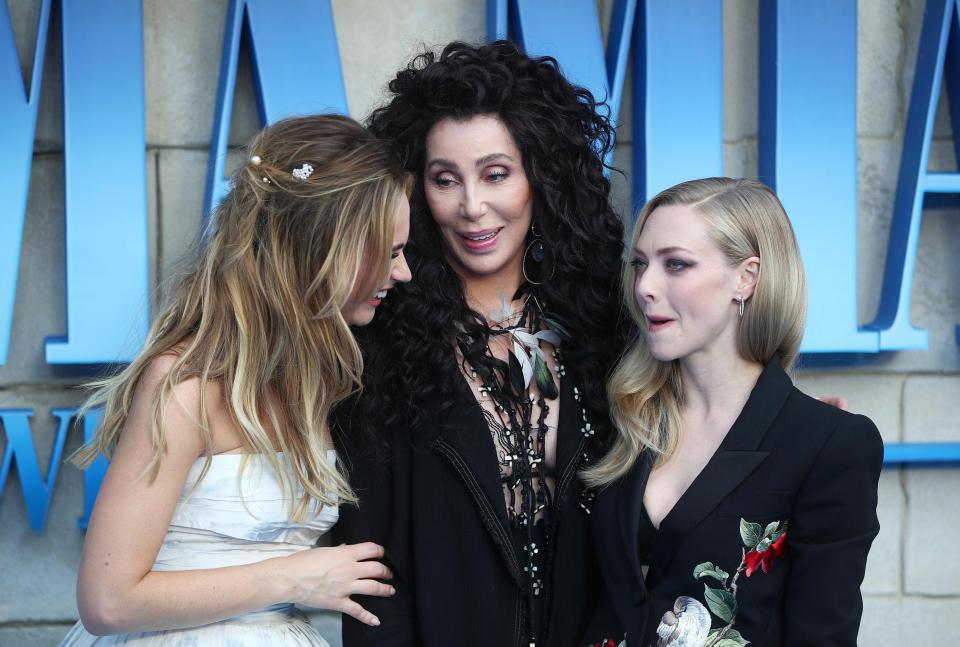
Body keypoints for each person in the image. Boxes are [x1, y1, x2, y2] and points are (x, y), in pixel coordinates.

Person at [60, 114, 412, 646]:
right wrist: (298, 577)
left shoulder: (318, 383)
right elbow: (108, 601)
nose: (403, 272)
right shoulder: (185, 388)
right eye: (389, 252)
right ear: (322, 249)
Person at [332, 41, 628, 646]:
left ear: (540, 178)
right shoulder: (379, 349)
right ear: (417, 193)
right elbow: (371, 580)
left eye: (496, 174)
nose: (472, 206)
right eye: (446, 180)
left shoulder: (600, 333)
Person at [585, 178, 883, 647]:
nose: (645, 286)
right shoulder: (622, 416)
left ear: (746, 278)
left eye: (676, 264)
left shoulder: (829, 443)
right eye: (640, 264)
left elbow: (823, 634)